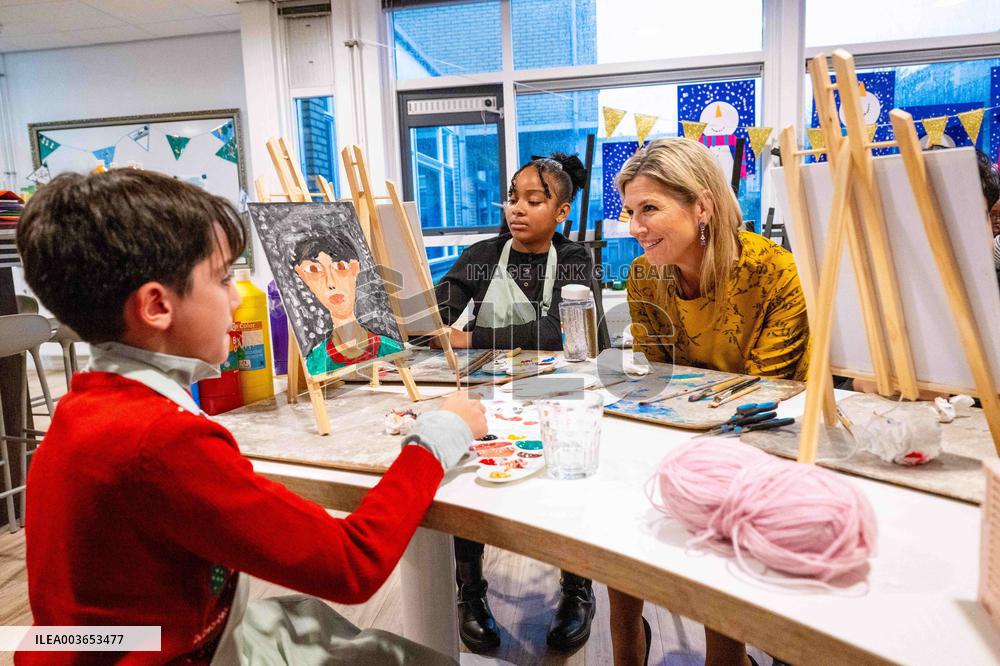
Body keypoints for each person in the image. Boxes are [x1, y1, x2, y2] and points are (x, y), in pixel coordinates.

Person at [15, 169, 487, 665]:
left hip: (126, 641)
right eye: (221, 279)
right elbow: (353, 565)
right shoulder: (159, 439)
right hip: (171, 652)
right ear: (156, 305)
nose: (239, 297)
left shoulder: (84, 407)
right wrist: (437, 435)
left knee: (303, 617)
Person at [611, 137, 810, 666]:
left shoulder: (775, 271)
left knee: (720, 529)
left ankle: (731, 653)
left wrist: (680, 411)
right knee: (616, 496)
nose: (634, 228)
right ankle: (626, 644)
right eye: (630, 211)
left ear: (703, 206)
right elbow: (653, 381)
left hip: (768, 442)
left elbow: (766, 396)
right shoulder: (644, 276)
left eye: (649, 209)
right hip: (688, 429)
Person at [433, 154, 599, 653]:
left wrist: (473, 335)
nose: (517, 210)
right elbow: (436, 319)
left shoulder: (574, 260)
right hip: (492, 392)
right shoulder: (483, 255)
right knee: (470, 478)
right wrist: (428, 323)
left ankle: (577, 587)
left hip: (558, 391)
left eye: (534, 200)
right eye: (512, 198)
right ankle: (471, 593)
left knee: (568, 479)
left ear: (562, 211)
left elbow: (560, 334)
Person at [291, 234, 404, 374]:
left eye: (340, 267)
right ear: (303, 276)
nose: (331, 283)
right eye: (314, 270)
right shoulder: (316, 363)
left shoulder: (390, 349)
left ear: (354, 268)